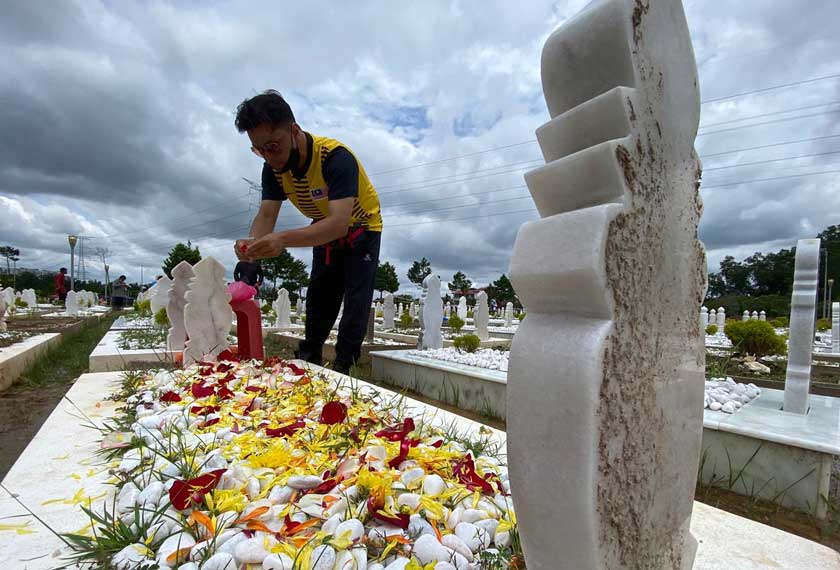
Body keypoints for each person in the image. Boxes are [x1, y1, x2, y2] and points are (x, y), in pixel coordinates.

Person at [233, 90, 382, 374]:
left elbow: (339, 223)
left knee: (355, 300)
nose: (268, 156)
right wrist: (250, 255)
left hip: (362, 228)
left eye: (273, 146)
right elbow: (266, 215)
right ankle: (309, 357)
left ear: (294, 130)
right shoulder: (273, 169)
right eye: (259, 149)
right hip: (322, 225)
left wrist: (282, 240)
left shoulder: (335, 158)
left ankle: (343, 366)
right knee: (319, 295)